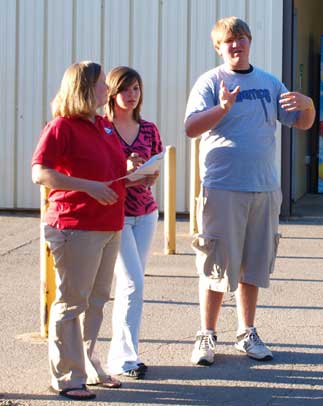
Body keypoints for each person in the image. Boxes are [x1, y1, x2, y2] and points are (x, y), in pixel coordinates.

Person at [184, 16, 315, 366]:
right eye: (229, 40)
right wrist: (223, 108)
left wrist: (309, 105)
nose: (236, 44)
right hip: (223, 187)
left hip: (264, 187)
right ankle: (207, 335)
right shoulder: (210, 82)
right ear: (218, 47)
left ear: (250, 42)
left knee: (253, 265)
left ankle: (247, 332)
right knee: (215, 263)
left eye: (241, 38)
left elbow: (300, 123)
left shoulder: (270, 82)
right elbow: (191, 127)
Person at [31, 61, 127, 401]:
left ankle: (88, 364)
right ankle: (68, 376)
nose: (108, 90)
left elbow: (109, 170)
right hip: (75, 226)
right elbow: (40, 173)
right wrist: (87, 187)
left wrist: (137, 173)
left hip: (109, 224)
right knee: (72, 302)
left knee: (97, 301)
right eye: (102, 84)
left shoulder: (104, 125)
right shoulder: (62, 127)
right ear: (84, 88)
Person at [105, 66, 163, 379]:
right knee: (132, 283)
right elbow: (99, 171)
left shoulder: (149, 129)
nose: (132, 95)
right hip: (115, 215)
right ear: (112, 93)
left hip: (146, 212)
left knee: (132, 286)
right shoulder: (103, 128)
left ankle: (122, 354)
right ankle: (125, 360)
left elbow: (155, 169)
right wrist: (124, 166)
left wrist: (148, 172)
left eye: (137, 89)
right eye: (126, 89)